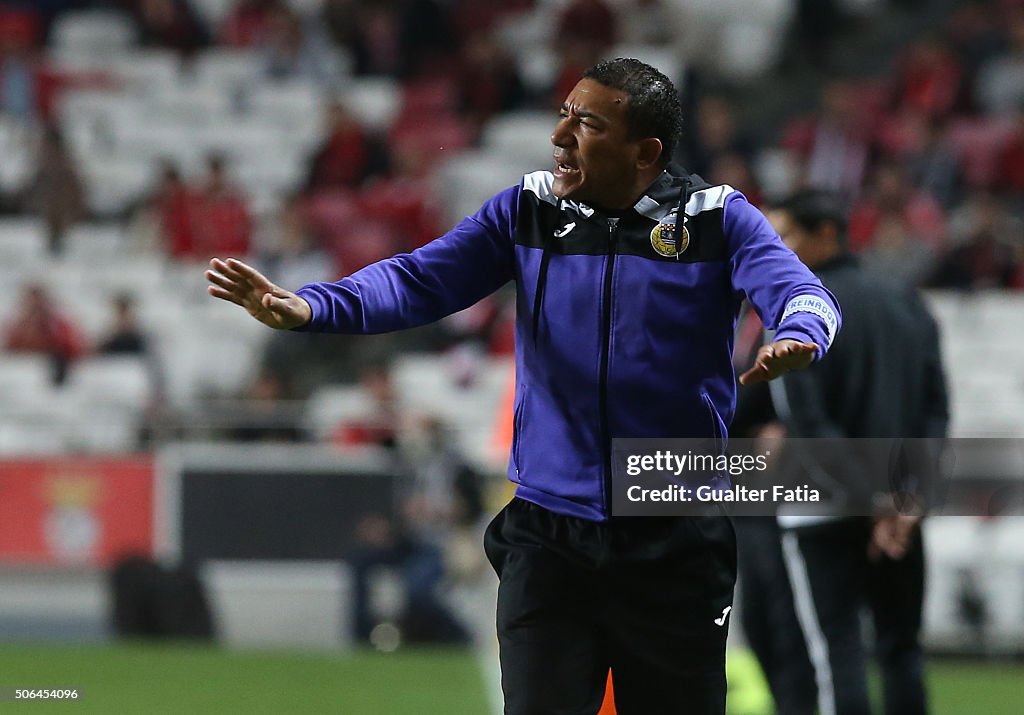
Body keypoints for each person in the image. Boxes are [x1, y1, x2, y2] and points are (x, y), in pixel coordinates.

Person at [206, 58, 841, 714]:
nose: (560, 134)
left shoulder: (717, 218)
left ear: (645, 151)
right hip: (549, 533)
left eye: (587, 122)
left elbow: (805, 292)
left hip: (673, 537)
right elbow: (420, 280)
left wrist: (800, 333)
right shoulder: (529, 208)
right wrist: (312, 307)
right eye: (564, 112)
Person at [764, 190, 948, 715]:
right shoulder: (907, 302)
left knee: (836, 652)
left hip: (824, 507)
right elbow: (935, 410)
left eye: (786, 237)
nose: (777, 250)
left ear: (826, 234)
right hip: (901, 513)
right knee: (901, 651)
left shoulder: (799, 311)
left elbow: (809, 421)